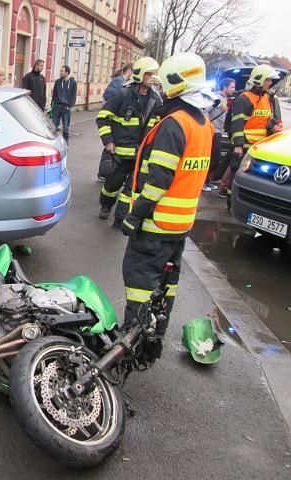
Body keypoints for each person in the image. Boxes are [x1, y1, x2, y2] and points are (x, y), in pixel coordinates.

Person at [119, 52, 215, 362]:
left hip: (156, 225)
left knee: (139, 283)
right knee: (166, 286)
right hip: (180, 225)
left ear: (175, 83)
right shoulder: (204, 125)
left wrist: (135, 214)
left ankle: (130, 346)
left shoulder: (175, 124)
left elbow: (159, 180)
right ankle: (155, 336)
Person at [96, 56, 162, 228]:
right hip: (120, 152)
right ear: (140, 75)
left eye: (154, 74)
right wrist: (108, 142)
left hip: (141, 154)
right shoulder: (122, 94)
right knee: (112, 185)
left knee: (131, 190)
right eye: (149, 74)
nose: (153, 78)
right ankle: (106, 204)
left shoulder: (156, 100)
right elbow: (102, 118)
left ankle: (120, 217)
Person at [219, 64, 281, 200]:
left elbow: (264, 119)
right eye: (268, 80)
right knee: (236, 175)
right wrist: (238, 145)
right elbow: (237, 124)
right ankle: (231, 201)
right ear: (259, 80)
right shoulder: (244, 99)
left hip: (260, 148)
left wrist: (273, 124)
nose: (270, 83)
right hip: (245, 146)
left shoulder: (267, 98)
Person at [203, 77, 235, 191]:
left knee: (214, 159)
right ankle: (204, 182)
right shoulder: (217, 98)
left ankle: (208, 181)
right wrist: (208, 126)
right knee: (213, 158)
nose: (234, 89)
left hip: (218, 131)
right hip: (213, 131)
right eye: (232, 87)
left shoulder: (225, 99)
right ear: (224, 87)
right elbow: (205, 111)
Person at [51, 65, 77, 144]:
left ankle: (66, 144)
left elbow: (73, 95)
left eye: (62, 71)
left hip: (66, 108)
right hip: (57, 107)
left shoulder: (73, 83)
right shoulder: (58, 82)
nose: (60, 72)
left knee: (65, 128)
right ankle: (54, 143)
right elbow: (54, 94)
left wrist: (70, 106)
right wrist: (52, 104)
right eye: (60, 71)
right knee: (54, 126)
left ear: (67, 72)